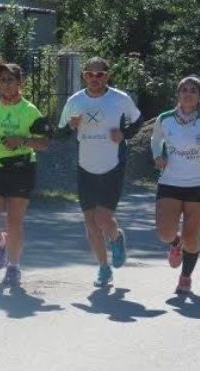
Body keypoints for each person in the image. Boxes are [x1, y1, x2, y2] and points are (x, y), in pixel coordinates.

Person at [58, 57, 142, 287]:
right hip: (86, 166)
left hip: (112, 165)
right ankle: (104, 268)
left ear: (107, 75)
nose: (95, 79)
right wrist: (71, 126)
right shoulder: (75, 101)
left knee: (103, 219)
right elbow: (61, 131)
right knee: (90, 223)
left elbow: (138, 121)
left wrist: (124, 134)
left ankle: (116, 237)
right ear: (84, 75)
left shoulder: (120, 99)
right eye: (90, 74)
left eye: (100, 74)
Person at [0, 56, 50, 286]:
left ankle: (14, 267)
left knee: (15, 221)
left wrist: (22, 140)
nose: (6, 83)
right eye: (2, 79)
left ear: (20, 83)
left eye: (11, 79)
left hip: (21, 168)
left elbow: (44, 143)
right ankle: (1, 243)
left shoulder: (30, 111)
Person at [151, 75, 200, 294]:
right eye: (184, 90)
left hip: (199, 184)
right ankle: (174, 243)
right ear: (178, 95)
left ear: (199, 98)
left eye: (193, 91)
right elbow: (156, 139)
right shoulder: (165, 119)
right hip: (170, 182)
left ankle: (185, 277)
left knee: (192, 237)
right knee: (165, 233)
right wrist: (157, 156)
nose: (188, 94)